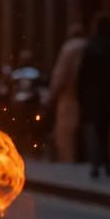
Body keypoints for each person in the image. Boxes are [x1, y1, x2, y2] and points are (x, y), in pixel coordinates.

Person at [76, 12, 110, 179]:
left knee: (97, 128)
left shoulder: (92, 46)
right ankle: (106, 162)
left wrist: (81, 95)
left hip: (94, 95)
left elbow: (83, 73)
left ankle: (97, 163)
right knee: (107, 126)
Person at [47, 23, 87, 162]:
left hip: (70, 96)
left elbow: (60, 75)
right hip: (90, 97)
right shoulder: (89, 46)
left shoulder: (69, 48)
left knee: (66, 133)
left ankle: (68, 162)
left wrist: (51, 97)